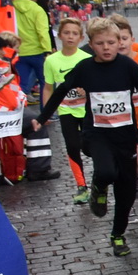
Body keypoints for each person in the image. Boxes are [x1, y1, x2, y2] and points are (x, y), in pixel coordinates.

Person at [32, 18, 138, 257]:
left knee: (126, 191)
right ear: (91, 44)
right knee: (107, 171)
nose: (107, 47)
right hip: (96, 134)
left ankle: (117, 235)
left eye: (112, 42)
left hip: (125, 135)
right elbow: (60, 90)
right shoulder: (85, 68)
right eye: (101, 43)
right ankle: (98, 187)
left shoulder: (127, 66)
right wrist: (42, 116)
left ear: (119, 42)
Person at [42, 16, 91, 203]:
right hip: (66, 111)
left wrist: (86, 90)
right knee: (72, 146)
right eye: (67, 33)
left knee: (90, 147)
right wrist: (45, 113)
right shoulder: (51, 61)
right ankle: (81, 186)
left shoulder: (87, 58)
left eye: (75, 33)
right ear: (60, 35)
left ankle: (99, 180)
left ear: (81, 37)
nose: (70, 37)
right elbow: (48, 88)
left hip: (87, 110)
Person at [12, 0, 51, 97]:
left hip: (18, 51)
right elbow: (42, 32)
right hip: (37, 51)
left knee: (21, 84)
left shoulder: (13, 7)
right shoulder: (38, 10)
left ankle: (18, 109)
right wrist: (47, 51)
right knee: (46, 84)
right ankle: (47, 113)